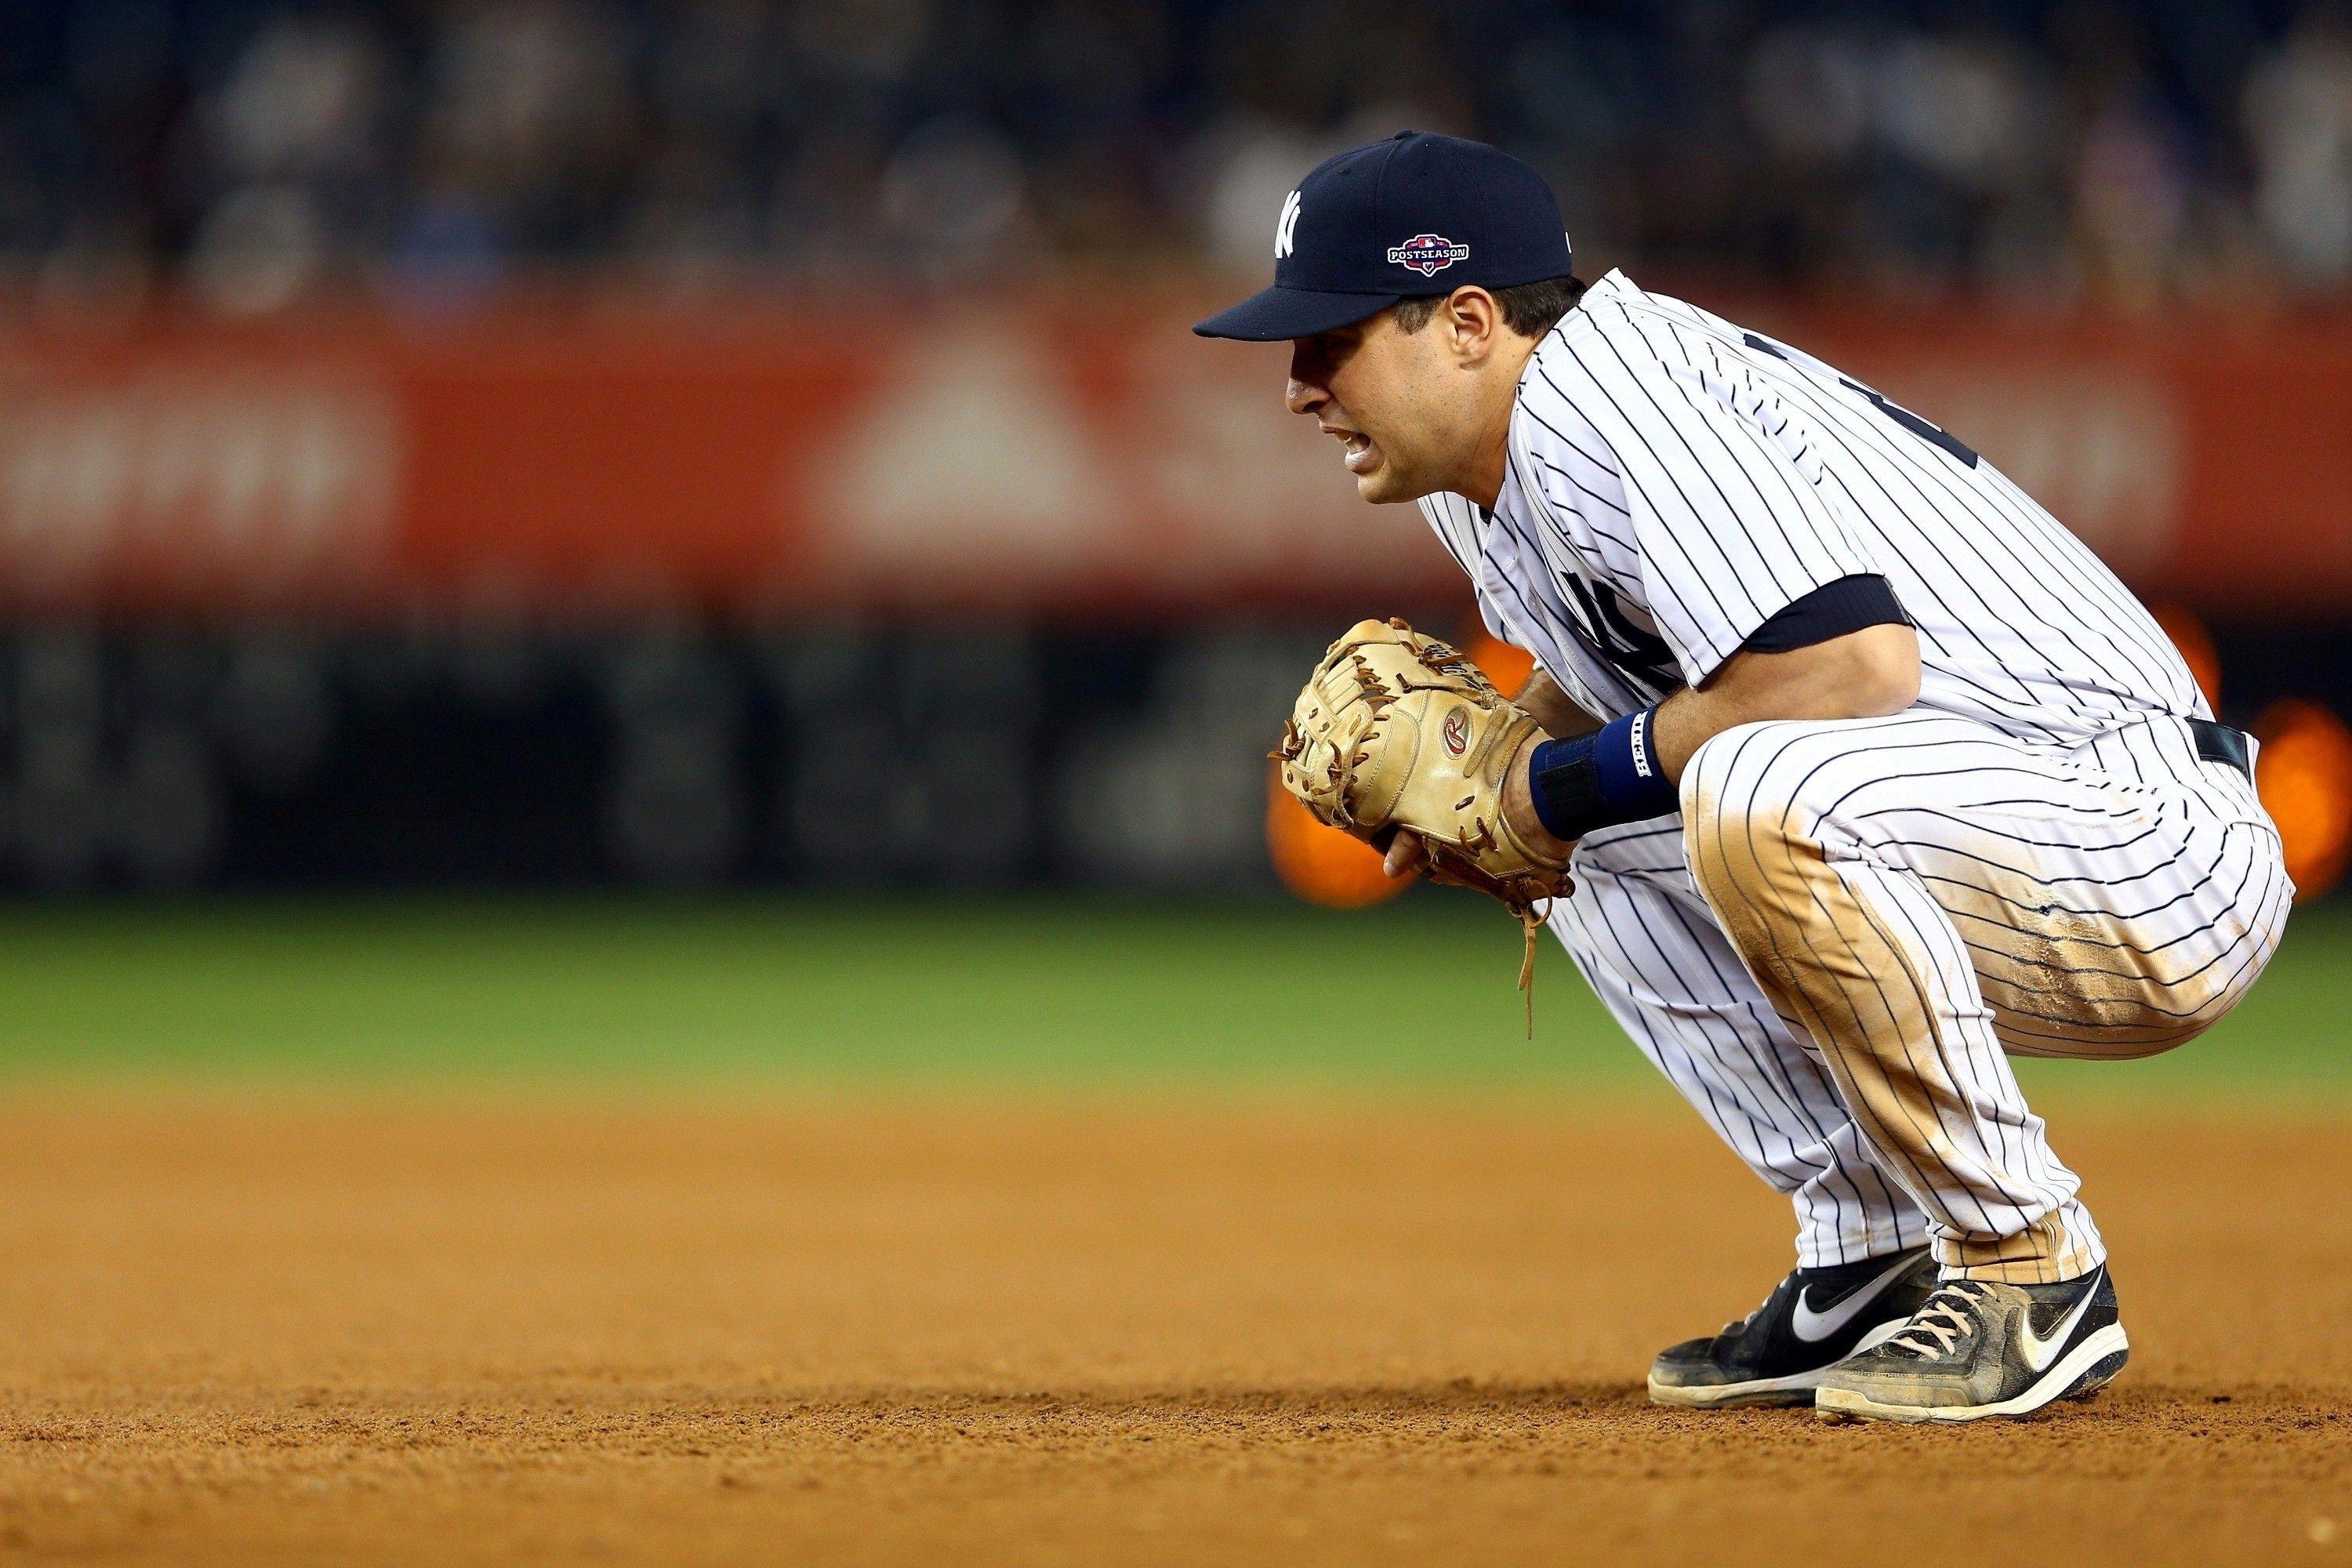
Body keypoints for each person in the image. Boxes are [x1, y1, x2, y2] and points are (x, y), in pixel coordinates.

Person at [1196, 131, 2291, 1423]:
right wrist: (1500, 789)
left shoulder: (1617, 399)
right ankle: (1870, 1249)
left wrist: (1544, 787)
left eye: (1331, 338)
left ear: (1471, 322)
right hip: (1987, 810)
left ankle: (2030, 1269)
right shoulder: (1485, 466)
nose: (1297, 384)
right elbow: (1624, 696)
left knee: (1750, 785)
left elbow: (1849, 669)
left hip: (2147, 835)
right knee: (1588, 820)